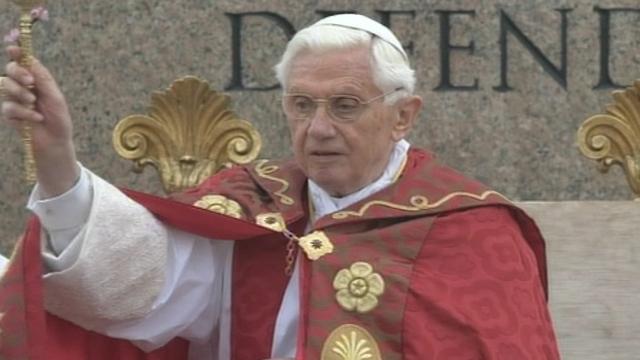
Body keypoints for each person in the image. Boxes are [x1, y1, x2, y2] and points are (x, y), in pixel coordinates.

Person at [0, 14, 560, 360]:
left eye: (344, 105)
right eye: (300, 105)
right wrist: (57, 159)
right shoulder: (251, 209)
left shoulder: (473, 231)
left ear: (403, 116)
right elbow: (139, 279)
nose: (317, 128)